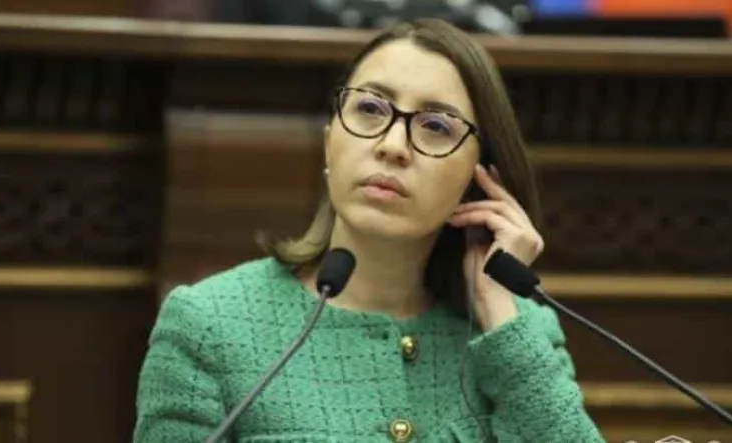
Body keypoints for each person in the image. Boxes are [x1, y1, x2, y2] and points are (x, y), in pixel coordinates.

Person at [133, 18, 605, 443]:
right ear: (329, 143)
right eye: (370, 108)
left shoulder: (520, 334)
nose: (392, 145)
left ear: (477, 178)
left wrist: (496, 303)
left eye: (436, 125)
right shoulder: (209, 325)